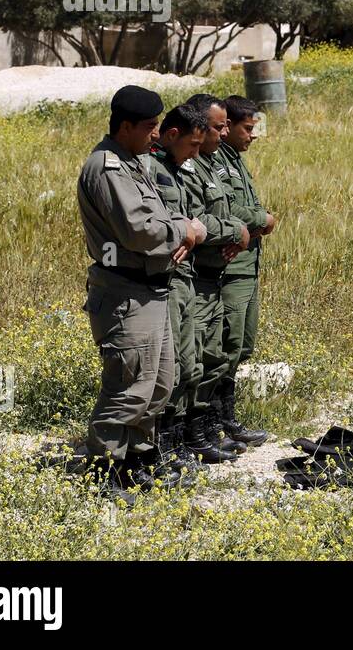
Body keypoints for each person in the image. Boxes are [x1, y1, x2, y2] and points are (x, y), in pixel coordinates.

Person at [76, 85, 199, 493]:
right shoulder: (108, 167)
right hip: (126, 293)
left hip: (151, 289)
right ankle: (102, 472)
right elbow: (141, 231)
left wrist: (178, 230)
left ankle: (138, 460)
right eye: (149, 126)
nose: (157, 134)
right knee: (129, 388)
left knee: (159, 384)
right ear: (125, 126)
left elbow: (157, 217)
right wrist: (187, 230)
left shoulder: (134, 161)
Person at [148, 103, 250, 472]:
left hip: (191, 275)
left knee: (193, 362)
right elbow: (186, 220)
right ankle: (166, 444)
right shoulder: (153, 169)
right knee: (175, 366)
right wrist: (230, 230)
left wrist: (225, 229)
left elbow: (199, 218)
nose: (201, 148)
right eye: (195, 142)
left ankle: (189, 437)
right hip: (174, 278)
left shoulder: (178, 166)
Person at [184, 93, 252, 462]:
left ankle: (208, 426)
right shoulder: (186, 166)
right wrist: (236, 230)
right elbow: (195, 218)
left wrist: (234, 234)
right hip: (196, 275)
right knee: (192, 360)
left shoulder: (212, 161)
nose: (225, 133)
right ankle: (187, 436)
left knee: (215, 354)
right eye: (219, 126)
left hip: (217, 268)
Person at [210, 95, 273, 449]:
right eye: (247, 129)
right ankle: (213, 424)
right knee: (226, 346)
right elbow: (230, 208)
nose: (253, 136)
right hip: (231, 268)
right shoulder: (216, 161)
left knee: (242, 345)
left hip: (247, 265)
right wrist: (262, 220)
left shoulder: (234, 160)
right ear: (228, 126)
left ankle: (226, 418)